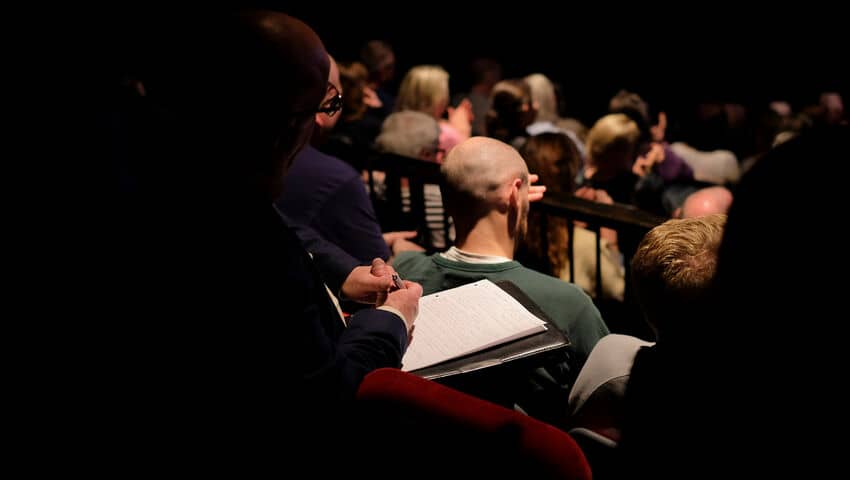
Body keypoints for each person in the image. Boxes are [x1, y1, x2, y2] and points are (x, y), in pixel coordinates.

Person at [107, 10, 422, 472]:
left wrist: (343, 274)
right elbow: (326, 401)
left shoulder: (156, 166)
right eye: (322, 104)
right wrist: (391, 321)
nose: (321, 122)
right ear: (285, 129)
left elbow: (290, 229)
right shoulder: (251, 250)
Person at [392, 137, 609, 420]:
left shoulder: (400, 275)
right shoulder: (569, 304)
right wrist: (513, 200)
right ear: (514, 193)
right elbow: (611, 399)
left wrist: (511, 196)